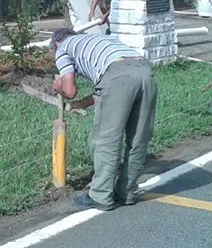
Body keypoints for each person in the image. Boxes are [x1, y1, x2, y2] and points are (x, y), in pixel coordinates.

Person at [50, 27, 158, 211]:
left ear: (56, 43)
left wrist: (59, 85)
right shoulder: (96, 40)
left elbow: (70, 90)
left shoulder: (63, 48)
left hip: (118, 77)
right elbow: (110, 89)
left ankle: (100, 195)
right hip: (145, 73)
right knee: (138, 139)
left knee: (106, 140)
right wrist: (81, 104)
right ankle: (127, 193)